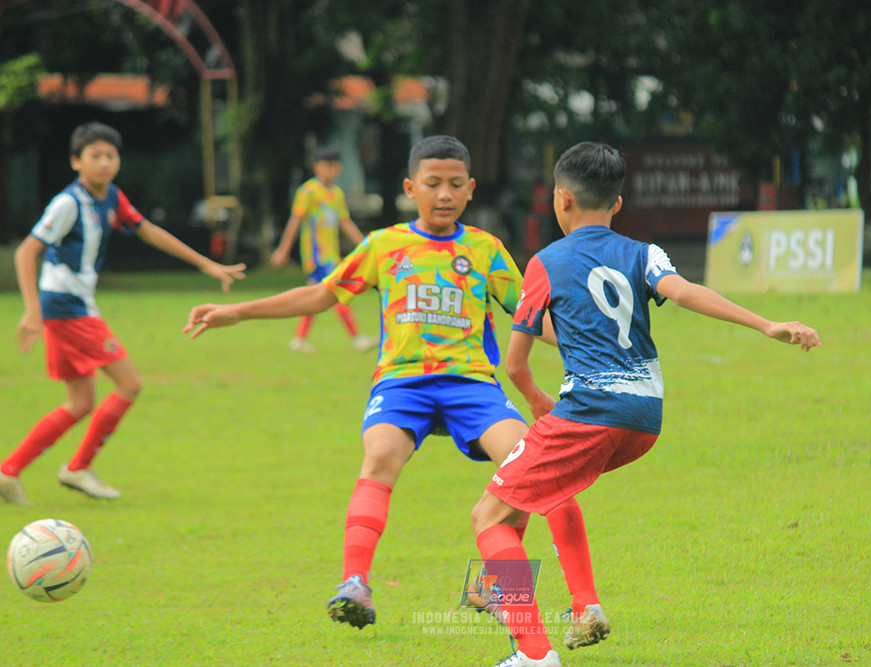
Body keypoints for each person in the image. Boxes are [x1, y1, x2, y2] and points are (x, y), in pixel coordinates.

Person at [183, 135, 588, 633]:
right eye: (432, 183)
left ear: (470, 188)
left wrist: (589, 344)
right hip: (402, 385)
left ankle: (494, 586)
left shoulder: (485, 250)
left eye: (455, 184)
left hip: (471, 384)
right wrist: (238, 312)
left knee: (525, 463)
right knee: (379, 457)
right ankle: (355, 582)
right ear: (410, 188)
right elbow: (321, 295)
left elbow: (529, 316)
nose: (444, 194)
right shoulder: (383, 245)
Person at [467, 142, 821, 667]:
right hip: (644, 419)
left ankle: (534, 653)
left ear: (561, 199)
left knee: (488, 515)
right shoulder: (643, 252)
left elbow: (516, 363)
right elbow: (685, 292)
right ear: (617, 203)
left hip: (589, 412)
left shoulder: (544, 263)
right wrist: (767, 324)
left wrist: (538, 400)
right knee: (539, 494)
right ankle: (582, 607)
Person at [0, 121, 246, 506]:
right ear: (76, 161)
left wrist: (205, 264)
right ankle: (79, 468)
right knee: (129, 384)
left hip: (72, 306)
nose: (104, 163)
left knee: (80, 402)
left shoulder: (112, 196)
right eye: (94, 156)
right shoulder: (69, 203)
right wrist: (32, 310)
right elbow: (26, 251)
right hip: (66, 307)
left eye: (110, 156)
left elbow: (147, 231)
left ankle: (8, 472)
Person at [270, 146, 376, 353]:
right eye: (325, 165)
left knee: (314, 296)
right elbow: (296, 220)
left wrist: (367, 246)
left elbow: (345, 222)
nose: (329, 170)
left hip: (331, 254)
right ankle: (357, 338)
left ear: (339, 168)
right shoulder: (308, 191)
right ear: (317, 167)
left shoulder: (336, 193)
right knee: (337, 292)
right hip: (317, 255)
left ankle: (299, 339)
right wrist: (283, 250)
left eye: (333, 166)